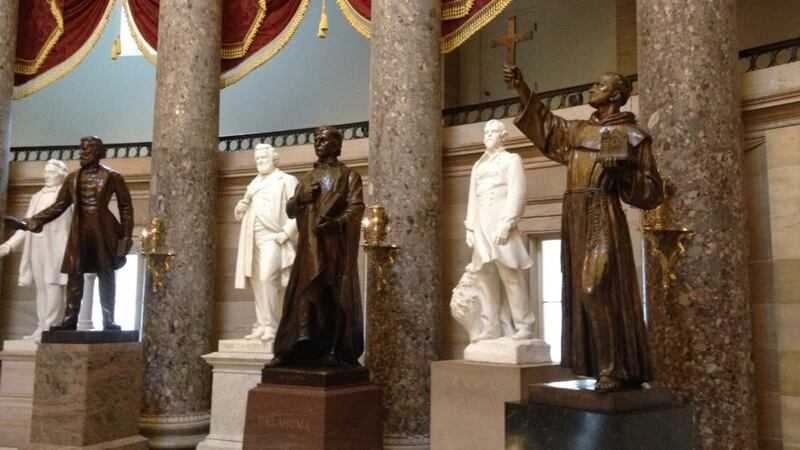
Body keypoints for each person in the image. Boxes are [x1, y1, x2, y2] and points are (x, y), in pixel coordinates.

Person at [503, 66, 664, 391]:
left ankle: (615, 368)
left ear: (615, 94)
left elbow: (651, 192)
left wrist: (624, 170)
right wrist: (521, 86)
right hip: (573, 213)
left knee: (595, 288)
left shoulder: (634, 136)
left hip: (600, 212)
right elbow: (546, 125)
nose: (592, 88)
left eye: (599, 85)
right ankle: (599, 366)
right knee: (579, 290)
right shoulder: (577, 130)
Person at [13, 136, 134, 331]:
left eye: (87, 150)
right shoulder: (72, 178)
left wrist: (126, 236)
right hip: (79, 230)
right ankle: (70, 320)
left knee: (106, 274)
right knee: (74, 275)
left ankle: (108, 320)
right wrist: (33, 221)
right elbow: (59, 206)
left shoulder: (112, 177)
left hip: (105, 231)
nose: (82, 153)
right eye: (81, 149)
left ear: (98, 153)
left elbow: (125, 207)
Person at [271, 126, 365, 366]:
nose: (319, 144)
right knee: (302, 295)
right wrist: (301, 198)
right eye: (316, 140)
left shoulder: (349, 176)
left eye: (324, 140)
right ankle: (295, 347)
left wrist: (336, 223)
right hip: (309, 247)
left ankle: (333, 349)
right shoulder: (306, 178)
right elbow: (290, 210)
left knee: (332, 295)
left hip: (334, 246)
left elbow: (356, 208)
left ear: (336, 145)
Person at [463, 119, 535, 342]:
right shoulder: (478, 165)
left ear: (504, 136)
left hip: (501, 225)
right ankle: (491, 327)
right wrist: (470, 229)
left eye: (493, 132)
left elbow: (517, 194)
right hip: (481, 226)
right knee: (485, 278)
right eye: (486, 132)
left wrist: (507, 224)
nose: (488, 135)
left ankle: (524, 325)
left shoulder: (511, 160)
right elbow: (472, 199)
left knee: (511, 276)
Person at [234, 144, 299, 344]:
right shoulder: (253, 184)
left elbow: (299, 211)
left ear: (274, 159)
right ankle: (262, 324)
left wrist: (286, 233)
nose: (260, 162)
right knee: (256, 281)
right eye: (257, 159)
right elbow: (240, 213)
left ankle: (272, 325)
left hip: (273, 236)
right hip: (251, 237)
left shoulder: (287, 180)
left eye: (263, 158)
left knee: (267, 277)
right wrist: (240, 207)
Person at [0, 160, 71, 340]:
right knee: (41, 287)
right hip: (37, 245)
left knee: (52, 284)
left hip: (57, 245)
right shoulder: (37, 196)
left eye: (51, 172)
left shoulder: (68, 196)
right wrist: (9, 245)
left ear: (61, 175)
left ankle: (51, 325)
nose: (47, 175)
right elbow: (26, 225)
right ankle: (41, 326)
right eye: (45, 172)